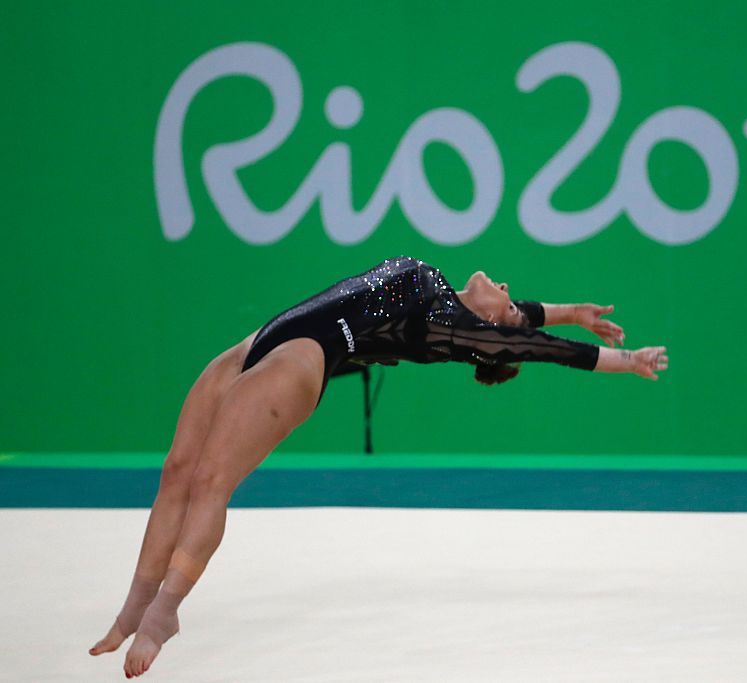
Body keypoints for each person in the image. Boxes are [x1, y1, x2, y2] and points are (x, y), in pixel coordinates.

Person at [88, 256, 669, 678]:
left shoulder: (456, 328)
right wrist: (572, 310)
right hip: (267, 336)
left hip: (304, 357)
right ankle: (135, 605)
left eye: (509, 304)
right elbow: (527, 319)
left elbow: (538, 347)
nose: (509, 286)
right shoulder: (448, 294)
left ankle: (165, 613)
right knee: (178, 469)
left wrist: (626, 359)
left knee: (212, 481)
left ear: (492, 332)